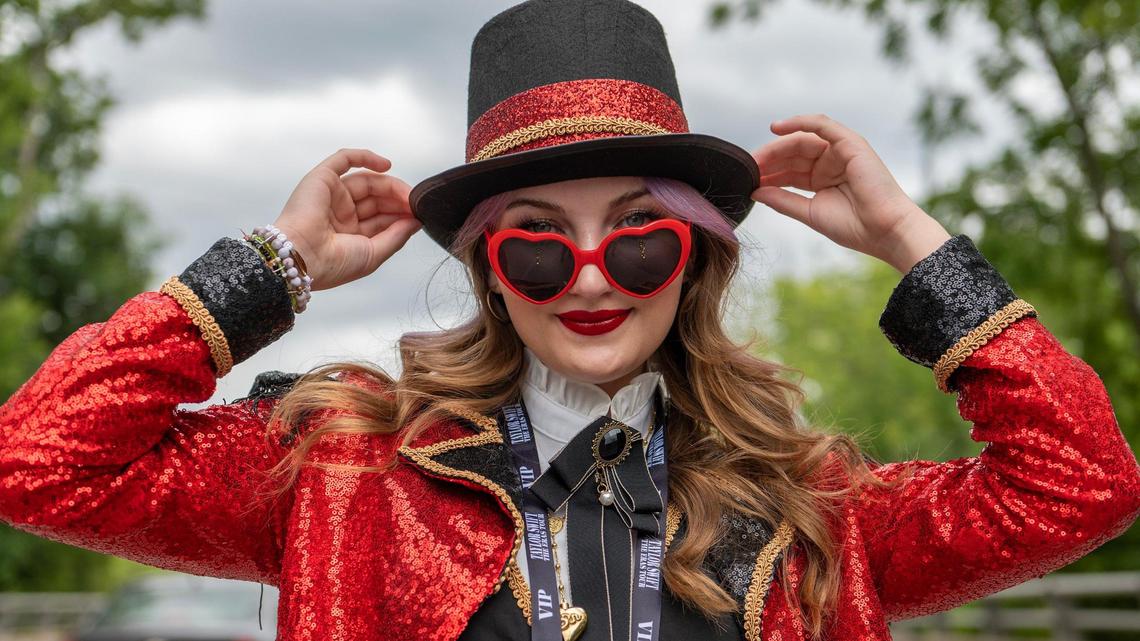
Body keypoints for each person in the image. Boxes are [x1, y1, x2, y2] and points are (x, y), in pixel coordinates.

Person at [1, 1, 1138, 640]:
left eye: (639, 233)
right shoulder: (338, 465)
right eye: (540, 239)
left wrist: (909, 237)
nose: (593, 276)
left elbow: (1079, 483)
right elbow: (35, 460)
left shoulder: (813, 503)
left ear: (692, 257)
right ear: (492, 269)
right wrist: (276, 266)